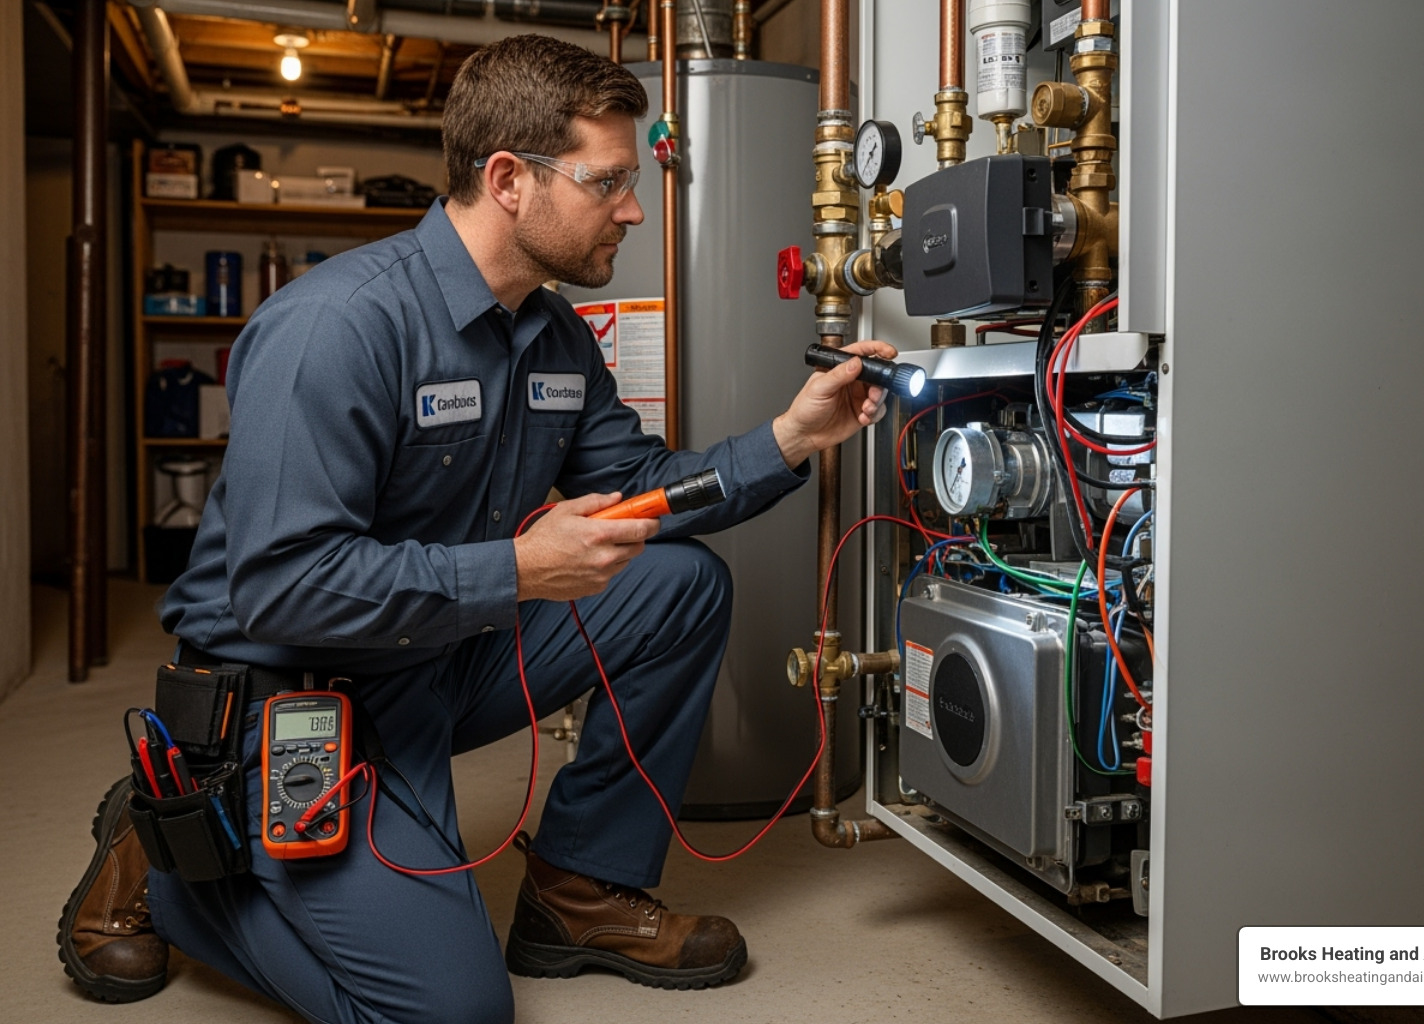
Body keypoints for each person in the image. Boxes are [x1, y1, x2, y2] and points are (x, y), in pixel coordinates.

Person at [57, 32, 895, 1024]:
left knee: (676, 584)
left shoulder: (550, 338)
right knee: (453, 1013)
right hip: (290, 696)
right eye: (611, 180)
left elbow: (644, 491)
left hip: (434, 664)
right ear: (509, 178)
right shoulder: (340, 327)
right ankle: (170, 861)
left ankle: (578, 891)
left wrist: (792, 437)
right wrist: (518, 568)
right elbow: (280, 588)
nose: (634, 206)